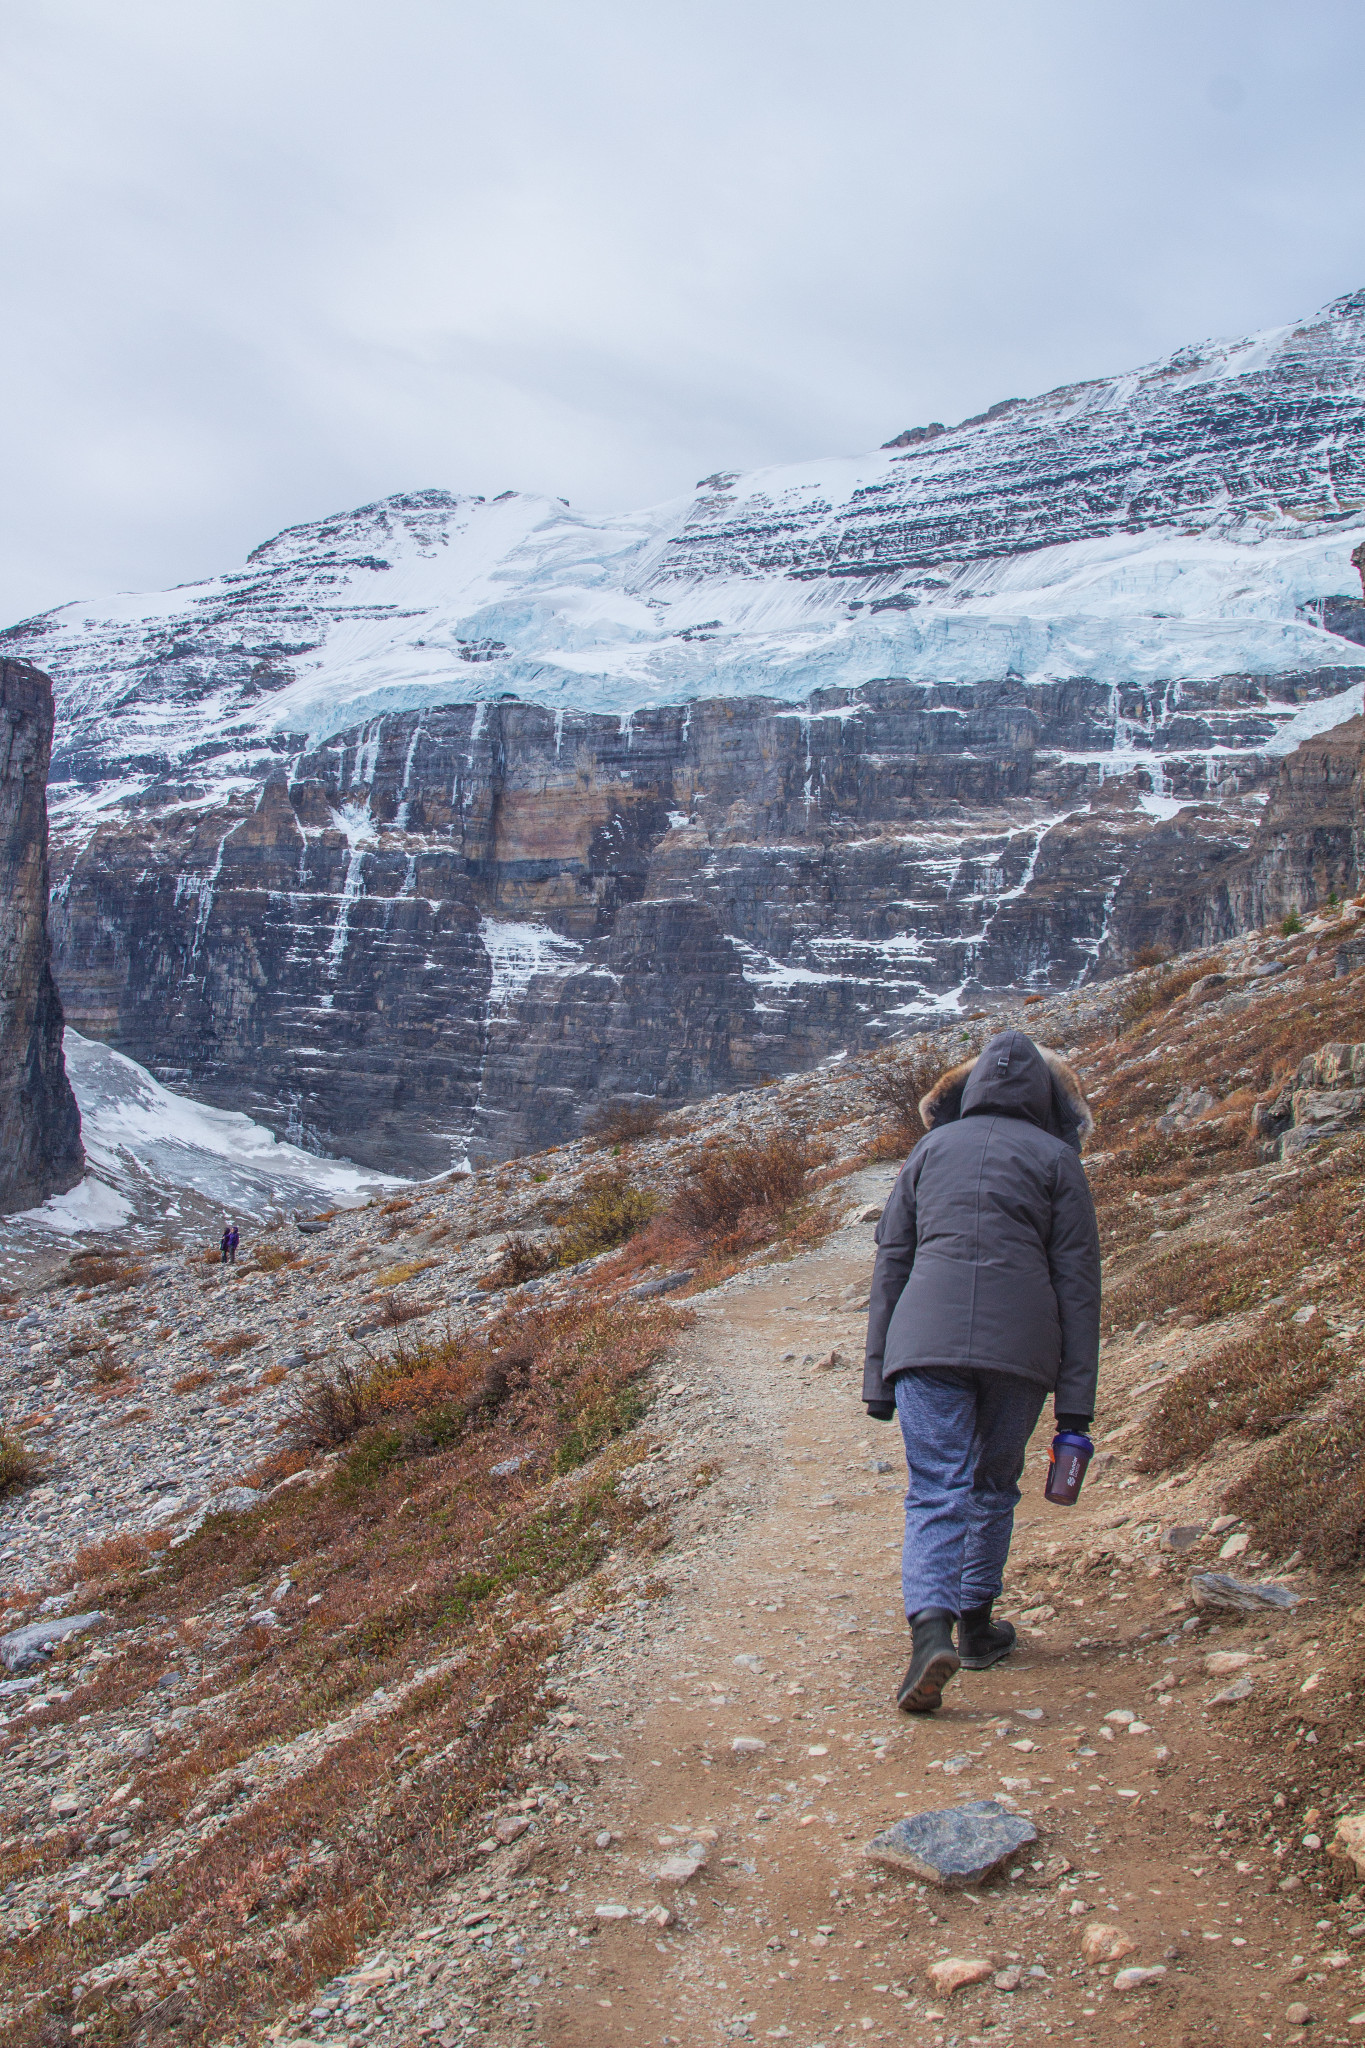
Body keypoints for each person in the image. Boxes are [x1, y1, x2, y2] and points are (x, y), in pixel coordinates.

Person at [863, 1029, 1100, 1714]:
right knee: (994, 1484)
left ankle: (926, 1634)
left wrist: (877, 1377)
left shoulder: (927, 1151)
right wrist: (1074, 1410)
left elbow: (891, 1266)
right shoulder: (1059, 1160)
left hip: (924, 1345)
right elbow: (1077, 1287)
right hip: (1020, 1352)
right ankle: (974, 1630)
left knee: (936, 1487)